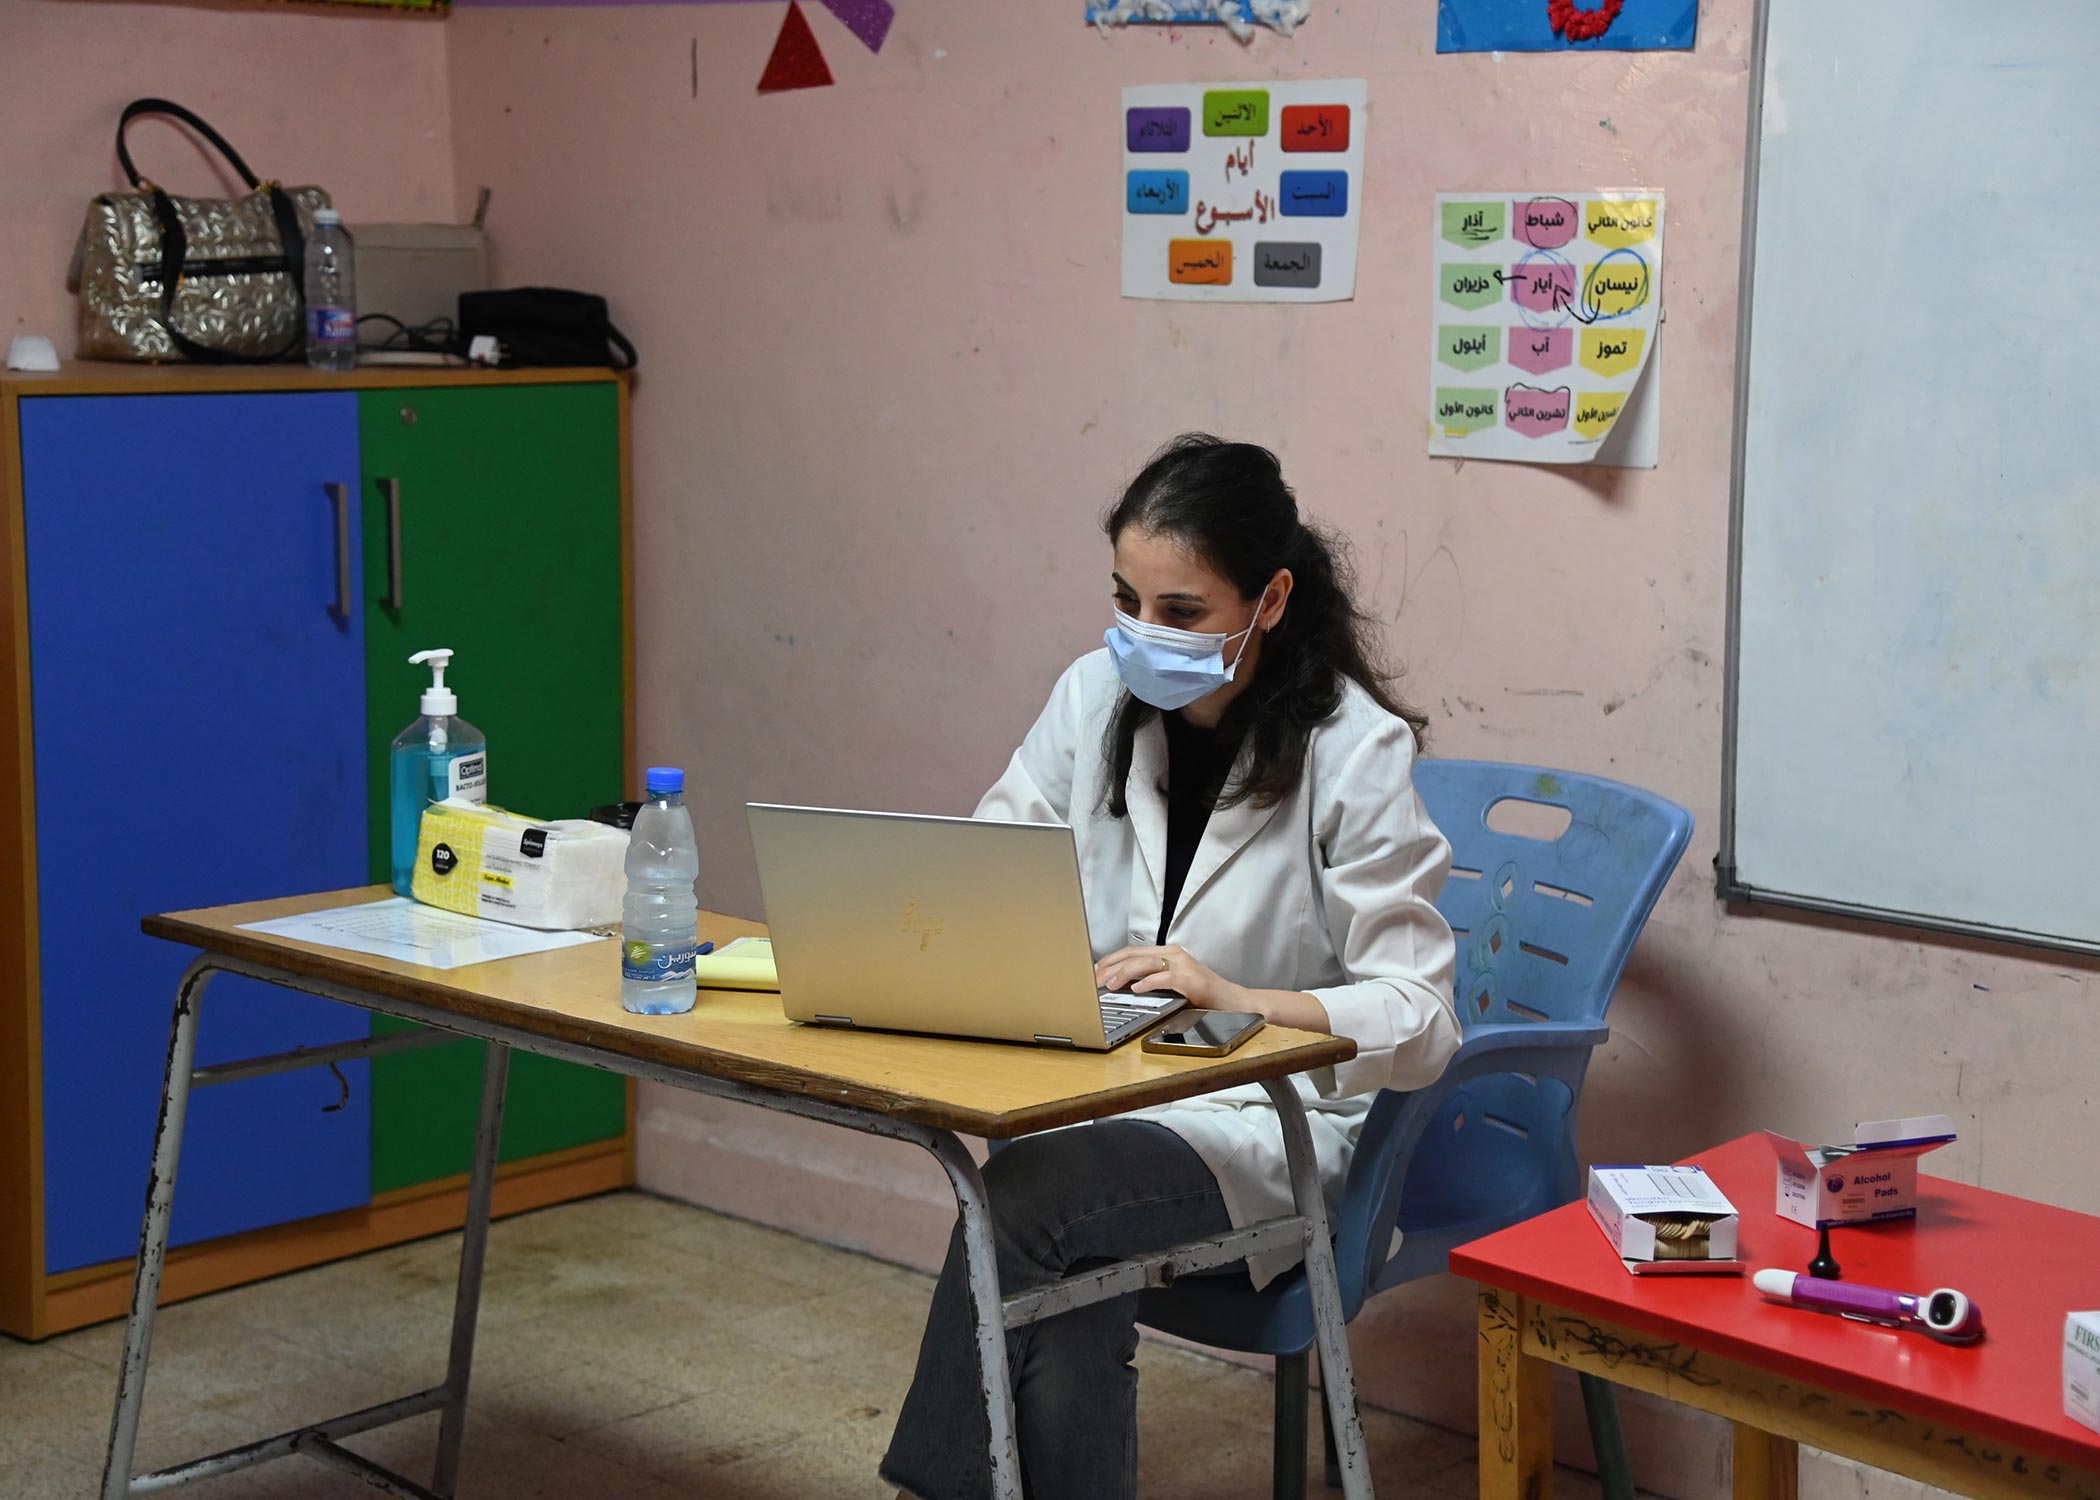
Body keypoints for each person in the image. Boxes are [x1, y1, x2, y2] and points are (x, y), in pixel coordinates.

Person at [882, 434, 1460, 1500]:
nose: (1143, 636)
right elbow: (992, 865)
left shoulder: (1353, 748)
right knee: (1066, 1252)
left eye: (1182, 612)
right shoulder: (1091, 697)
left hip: (1269, 1119)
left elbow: (1421, 1018)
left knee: (1029, 1203)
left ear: (1272, 598)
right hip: (1101, 1090)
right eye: (1127, 599)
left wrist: (1238, 999)